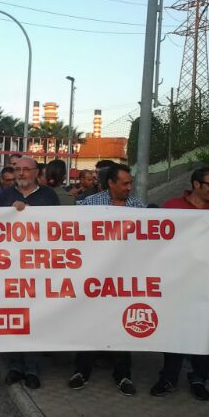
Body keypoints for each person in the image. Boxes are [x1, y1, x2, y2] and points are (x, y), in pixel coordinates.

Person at [150, 166, 209, 401]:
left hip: (206, 284)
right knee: (174, 331)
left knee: (204, 330)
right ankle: (169, 378)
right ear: (196, 185)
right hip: (176, 281)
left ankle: (199, 378)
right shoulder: (172, 206)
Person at [72, 163, 143, 395]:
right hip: (93, 278)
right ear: (111, 183)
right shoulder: (90, 204)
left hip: (124, 280)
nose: (129, 188)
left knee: (122, 326)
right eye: (125, 183)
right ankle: (82, 371)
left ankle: (123, 375)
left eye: (131, 183)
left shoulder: (138, 207)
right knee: (89, 324)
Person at [0, 156, 58, 389]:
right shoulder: (4, 196)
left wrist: (31, 215)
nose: (21, 173)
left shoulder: (49, 196)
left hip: (37, 269)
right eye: (17, 169)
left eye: (26, 169)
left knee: (34, 319)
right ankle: (14, 367)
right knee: (12, 317)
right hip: (9, 267)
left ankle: (32, 369)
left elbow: (57, 229)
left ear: (36, 172)